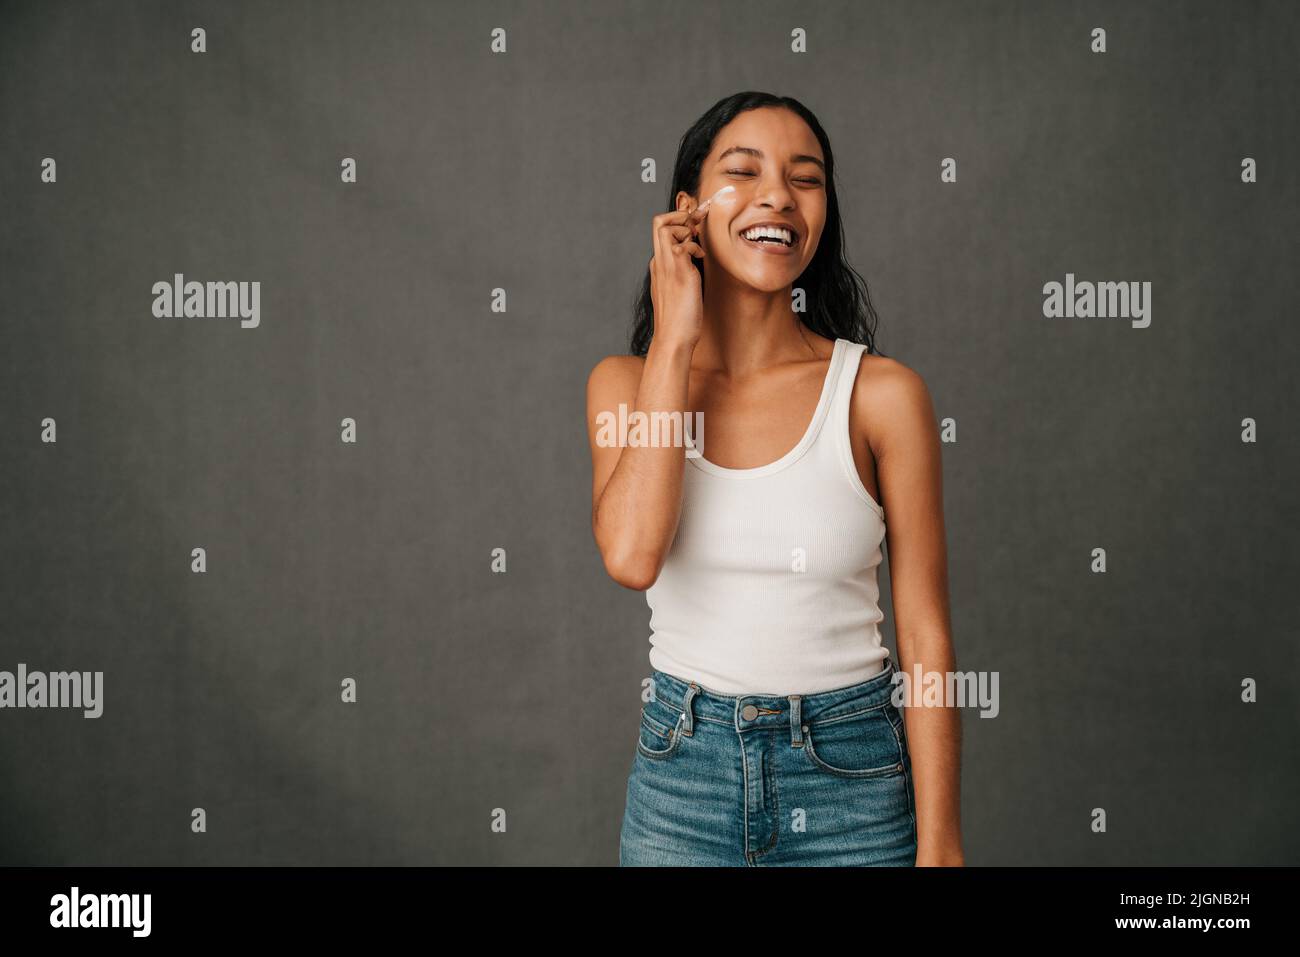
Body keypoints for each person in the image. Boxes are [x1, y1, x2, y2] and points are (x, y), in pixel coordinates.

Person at [586, 91, 963, 866]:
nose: (778, 197)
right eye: (743, 170)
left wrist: (943, 842)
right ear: (687, 208)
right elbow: (630, 556)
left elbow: (924, 633)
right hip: (682, 780)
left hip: (851, 778)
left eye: (806, 177)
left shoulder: (882, 395)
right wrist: (675, 339)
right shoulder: (624, 384)